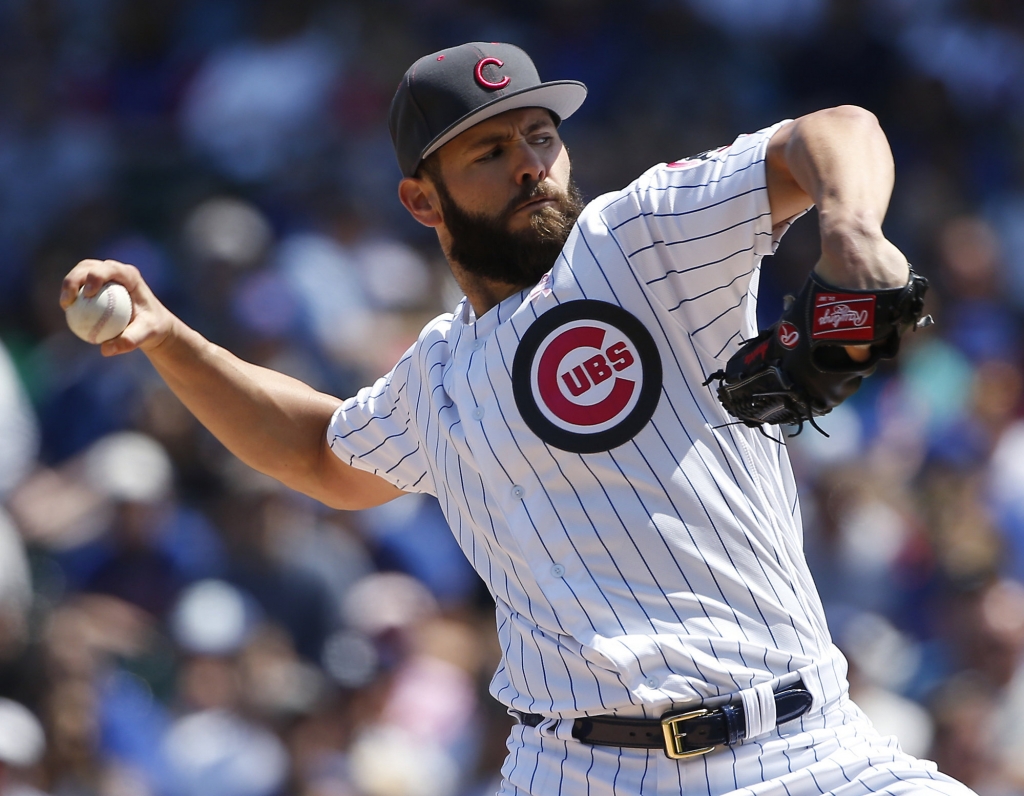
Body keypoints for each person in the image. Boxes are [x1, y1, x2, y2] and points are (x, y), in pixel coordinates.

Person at [62, 42, 974, 796]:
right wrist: (166, 336)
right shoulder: (436, 377)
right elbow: (316, 450)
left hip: (805, 748)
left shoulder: (639, 241)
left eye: (539, 136)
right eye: (487, 152)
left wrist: (851, 225)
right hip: (577, 768)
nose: (530, 163)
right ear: (422, 200)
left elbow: (835, 131)